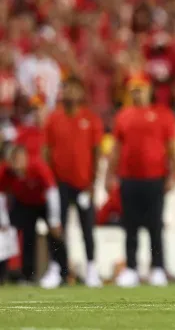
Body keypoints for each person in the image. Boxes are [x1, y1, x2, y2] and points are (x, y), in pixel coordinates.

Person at [107, 74, 175, 287]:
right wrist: (109, 175)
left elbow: (173, 148)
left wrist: (173, 175)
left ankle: (158, 267)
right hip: (129, 178)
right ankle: (131, 268)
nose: (137, 93)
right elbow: (116, 148)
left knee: (155, 225)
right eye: (133, 90)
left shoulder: (163, 115)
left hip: (154, 178)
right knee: (130, 226)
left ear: (148, 90)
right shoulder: (123, 116)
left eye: (140, 89)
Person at [44, 76, 103, 287]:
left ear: (81, 93)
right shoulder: (53, 119)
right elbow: (46, 152)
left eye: (73, 89)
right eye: (66, 89)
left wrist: (94, 184)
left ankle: (91, 268)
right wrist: (49, 184)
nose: (69, 93)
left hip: (83, 183)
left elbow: (97, 153)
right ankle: (57, 268)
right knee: (57, 227)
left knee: (88, 228)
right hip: (59, 183)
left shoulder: (90, 119)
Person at [0, 144, 66, 288]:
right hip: (24, 204)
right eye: (13, 160)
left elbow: (52, 191)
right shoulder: (6, 171)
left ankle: (63, 273)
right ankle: (26, 275)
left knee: (55, 235)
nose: (16, 164)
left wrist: (54, 220)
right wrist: (3, 221)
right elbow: (1, 195)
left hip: (43, 202)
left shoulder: (38, 166)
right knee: (25, 237)